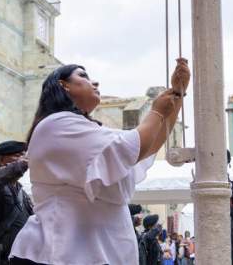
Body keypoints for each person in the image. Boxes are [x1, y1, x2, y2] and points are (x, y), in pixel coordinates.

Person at [10, 59, 190, 265]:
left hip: (93, 253)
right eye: (83, 76)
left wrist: (177, 94)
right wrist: (157, 111)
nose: (95, 83)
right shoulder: (54, 125)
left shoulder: (86, 129)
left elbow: (144, 147)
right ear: (63, 85)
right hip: (62, 253)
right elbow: (135, 146)